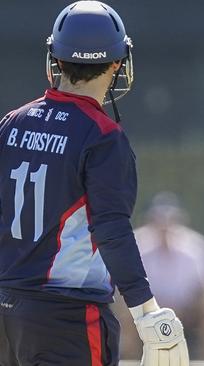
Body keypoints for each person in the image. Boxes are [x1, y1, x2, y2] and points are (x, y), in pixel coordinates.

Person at [0, 2, 189, 365]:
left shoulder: (12, 122)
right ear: (118, 63)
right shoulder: (103, 136)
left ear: (55, 59)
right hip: (67, 316)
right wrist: (146, 311)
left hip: (7, 311)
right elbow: (111, 229)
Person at [115, 192, 204, 360]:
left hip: (189, 312)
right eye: (159, 218)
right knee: (124, 306)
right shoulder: (135, 243)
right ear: (149, 219)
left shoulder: (196, 245)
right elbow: (122, 287)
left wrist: (188, 306)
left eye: (170, 218)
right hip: (145, 311)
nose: (165, 224)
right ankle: (131, 360)